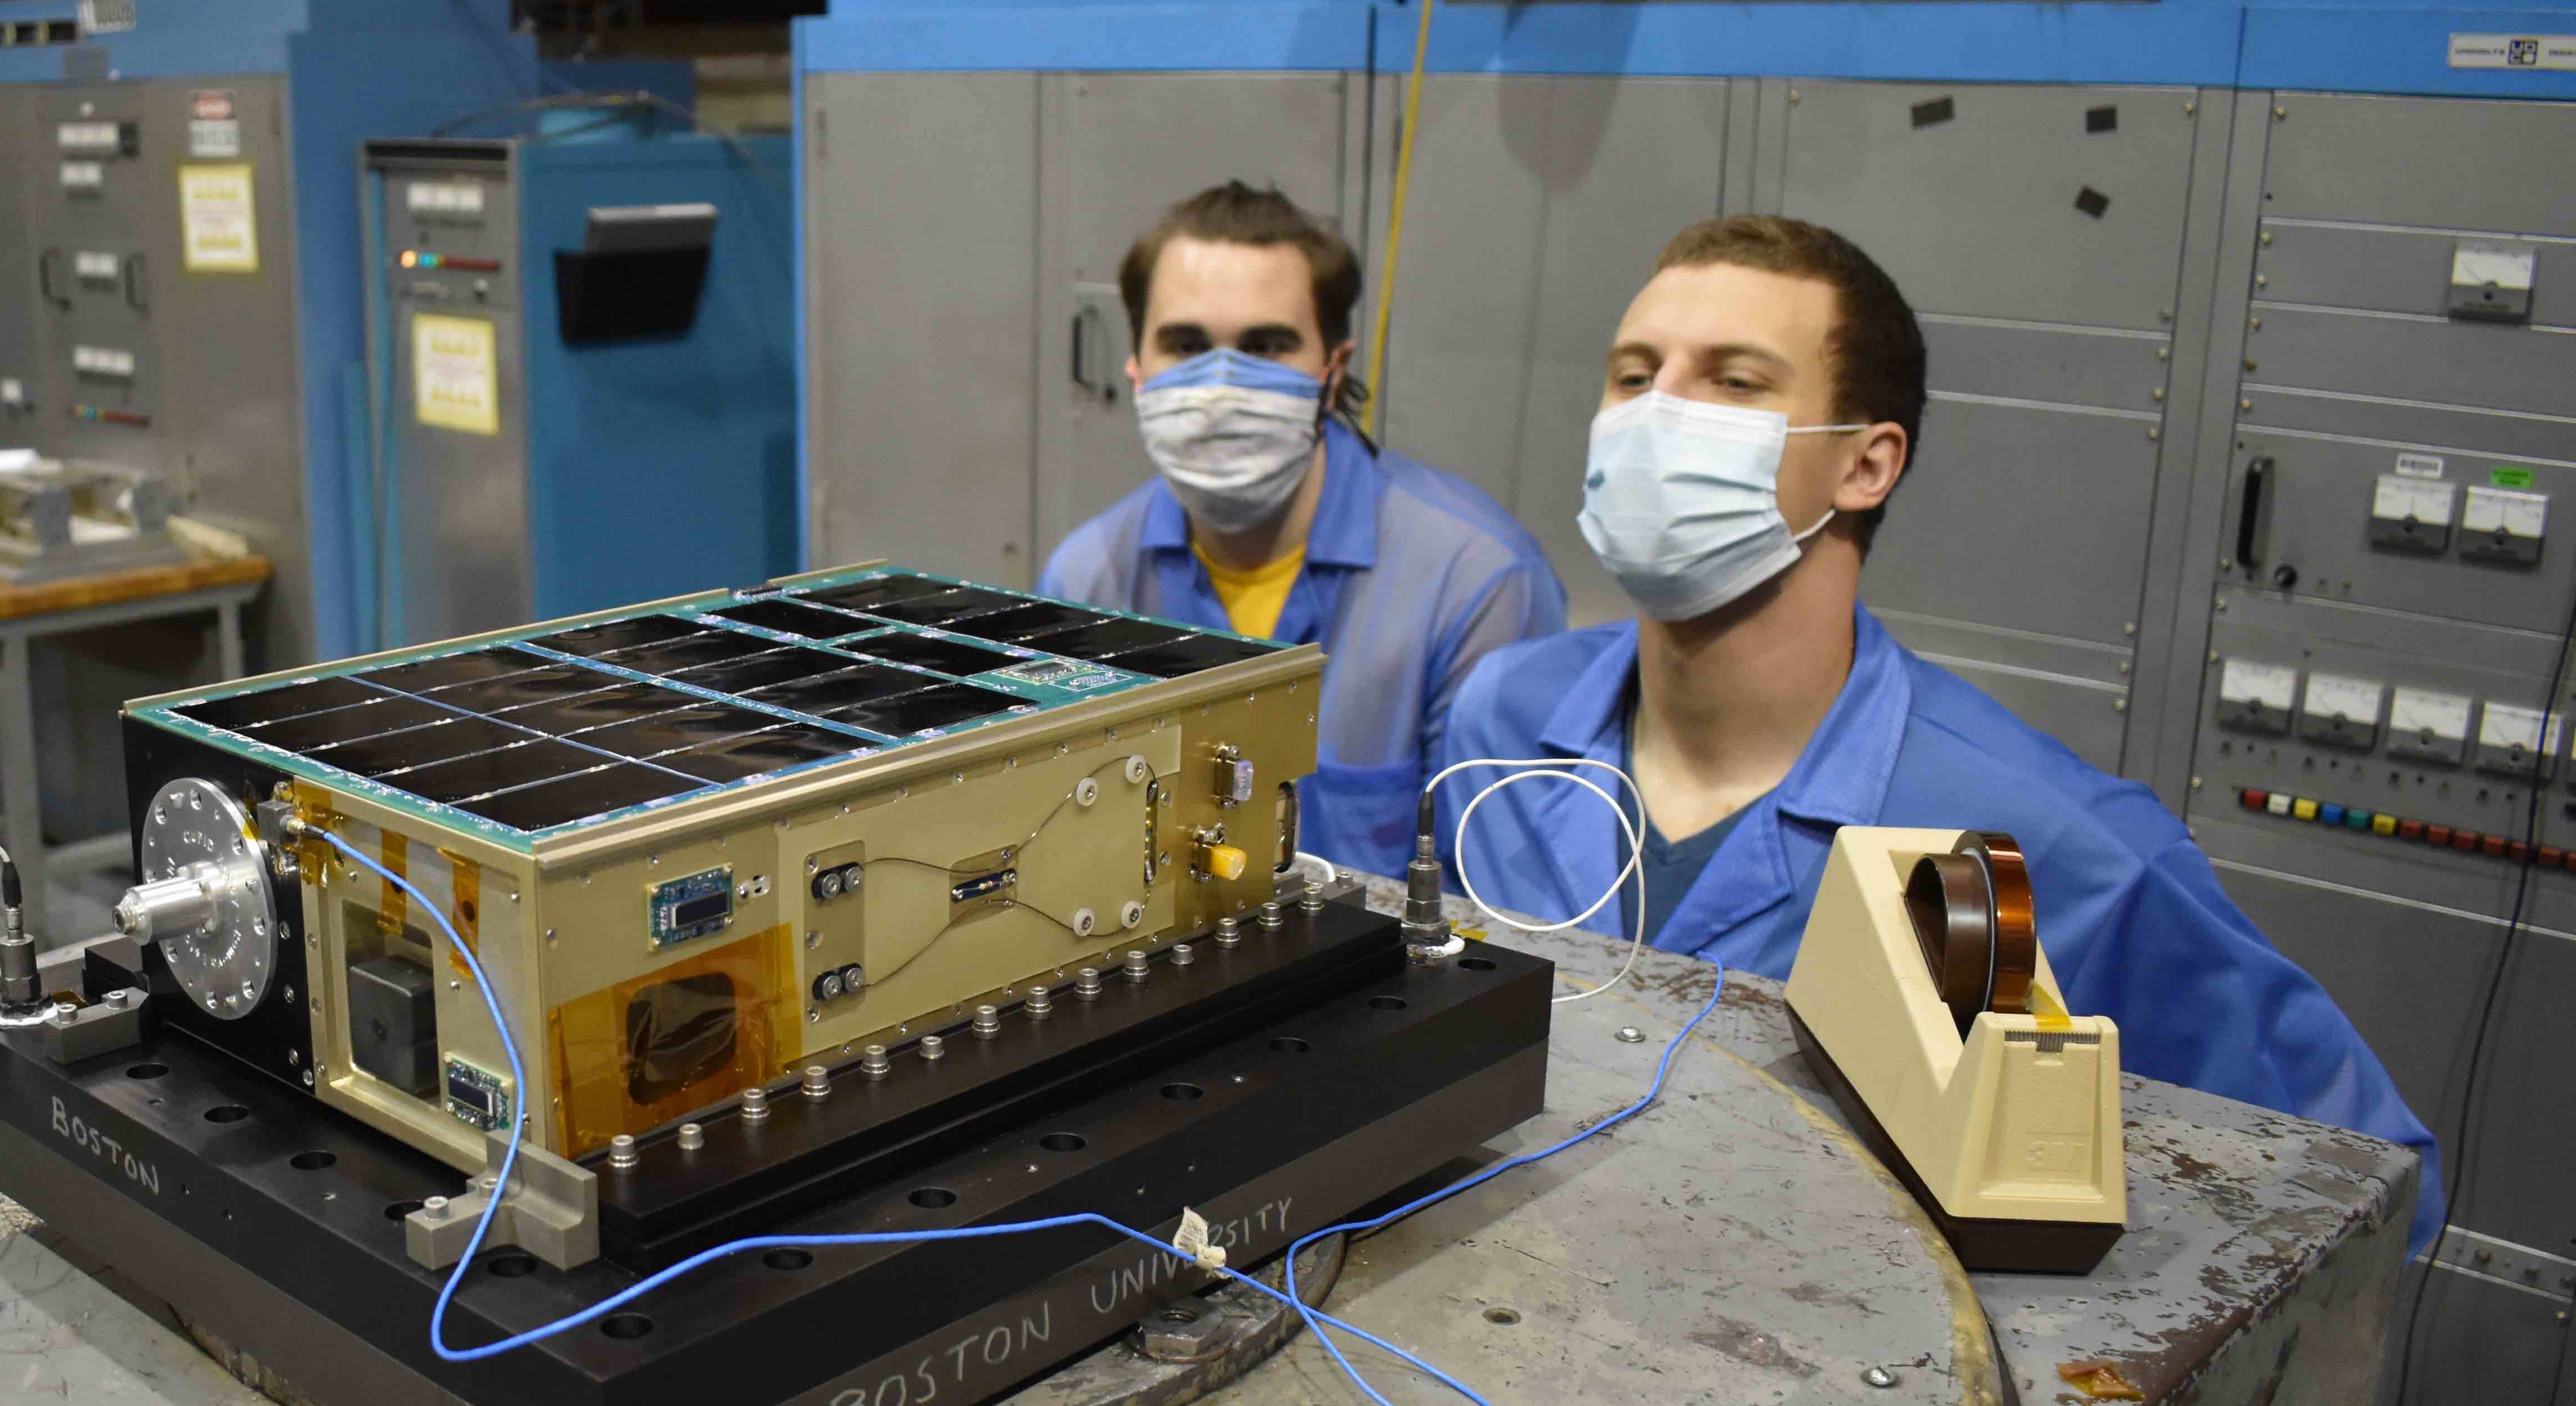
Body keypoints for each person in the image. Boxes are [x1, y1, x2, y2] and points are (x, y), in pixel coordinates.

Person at [1439, 213, 2441, 1250]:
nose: (1659, 415)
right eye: (1635, 375)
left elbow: (2368, 1187)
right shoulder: (1502, 717)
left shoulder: (2053, 845)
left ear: (1866, 466)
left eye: (1734, 382)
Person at [1041, 182, 1564, 875]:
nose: (1222, 385)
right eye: (1186, 344)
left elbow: (1498, 901)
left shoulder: (1477, 584)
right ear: (1136, 368)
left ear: (1331, 370)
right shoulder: (1085, 582)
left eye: (1265, 345)